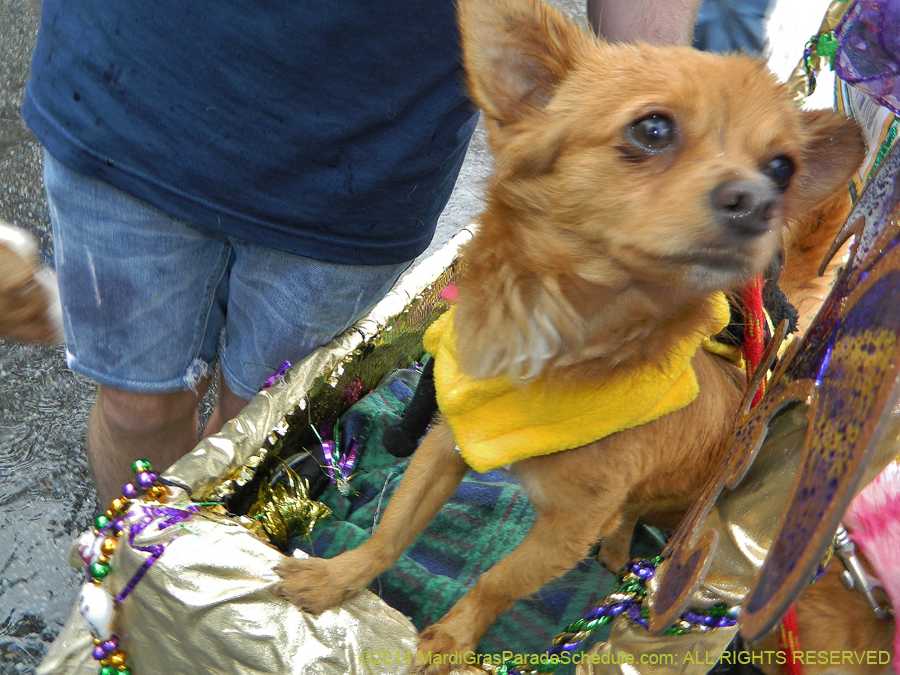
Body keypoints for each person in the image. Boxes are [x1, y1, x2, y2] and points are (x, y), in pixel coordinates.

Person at [24, 0, 704, 505]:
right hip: (120, 89)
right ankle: (128, 592)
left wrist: (662, 157)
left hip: (367, 154)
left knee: (257, 424)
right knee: (138, 405)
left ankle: (189, 599)